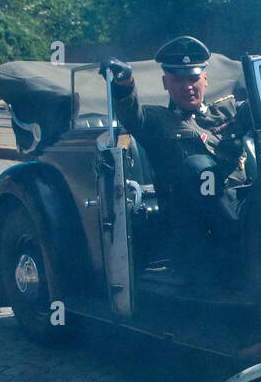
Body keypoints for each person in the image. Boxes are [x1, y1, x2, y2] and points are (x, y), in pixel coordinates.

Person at [101, 35, 251, 241]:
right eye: (178, 80)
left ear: (205, 79)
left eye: (193, 78)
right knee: (199, 167)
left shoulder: (226, 110)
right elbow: (131, 115)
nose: (187, 86)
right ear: (165, 83)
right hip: (192, 223)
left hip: (242, 204)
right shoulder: (157, 120)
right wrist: (124, 83)